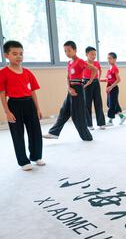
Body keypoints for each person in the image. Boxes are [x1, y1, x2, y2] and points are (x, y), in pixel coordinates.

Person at [0, 40, 44, 171]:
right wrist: (7, 112)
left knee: (35, 131)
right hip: (14, 104)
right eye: (14, 54)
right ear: (6, 55)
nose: (19, 56)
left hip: (29, 104)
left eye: (21, 53)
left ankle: (36, 156)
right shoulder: (3, 73)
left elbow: (33, 92)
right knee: (17, 134)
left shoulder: (28, 73)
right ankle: (23, 161)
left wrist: (38, 108)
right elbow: (2, 94)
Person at [43, 41, 96, 141]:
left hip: (78, 90)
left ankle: (87, 137)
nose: (67, 53)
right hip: (71, 89)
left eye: (69, 50)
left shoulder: (80, 61)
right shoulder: (69, 63)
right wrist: (69, 87)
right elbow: (68, 76)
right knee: (64, 111)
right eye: (65, 51)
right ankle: (54, 133)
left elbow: (94, 70)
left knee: (77, 115)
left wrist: (89, 82)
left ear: (75, 50)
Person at [83, 46, 105, 130]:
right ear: (86, 54)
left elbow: (100, 70)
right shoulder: (84, 63)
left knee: (98, 103)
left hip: (95, 83)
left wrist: (98, 79)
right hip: (86, 83)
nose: (93, 56)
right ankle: (89, 124)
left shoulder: (96, 63)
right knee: (87, 104)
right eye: (92, 54)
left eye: (95, 54)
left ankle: (101, 123)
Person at [101, 52, 126, 126]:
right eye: (108, 58)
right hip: (110, 89)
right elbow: (108, 79)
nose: (108, 60)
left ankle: (110, 121)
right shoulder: (110, 68)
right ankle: (122, 117)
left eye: (110, 58)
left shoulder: (115, 68)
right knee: (112, 104)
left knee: (112, 105)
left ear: (115, 59)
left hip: (113, 89)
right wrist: (98, 79)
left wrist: (111, 87)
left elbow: (118, 79)